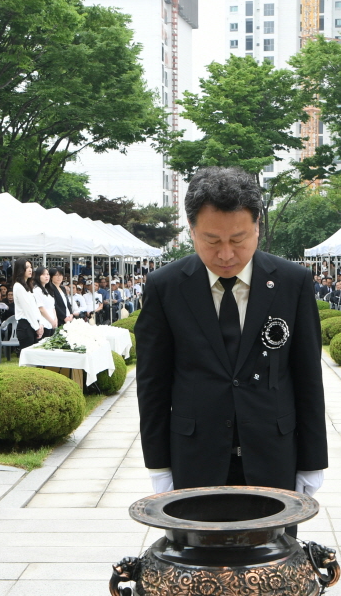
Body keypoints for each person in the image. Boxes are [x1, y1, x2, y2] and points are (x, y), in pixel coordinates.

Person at [135, 166, 327, 497]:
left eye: (238, 240)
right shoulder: (165, 287)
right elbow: (152, 384)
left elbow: (308, 376)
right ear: (192, 230)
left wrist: (312, 462)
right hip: (195, 457)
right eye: (212, 240)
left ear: (257, 227)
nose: (226, 255)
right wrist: (158, 464)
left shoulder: (292, 283)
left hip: (274, 454)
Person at [11, 258, 45, 350]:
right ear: (20, 270)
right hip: (25, 326)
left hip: (33, 324)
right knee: (28, 356)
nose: (30, 270)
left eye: (31, 267)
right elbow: (27, 310)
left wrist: (40, 324)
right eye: (27, 267)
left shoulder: (28, 286)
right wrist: (37, 327)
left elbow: (34, 307)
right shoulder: (18, 286)